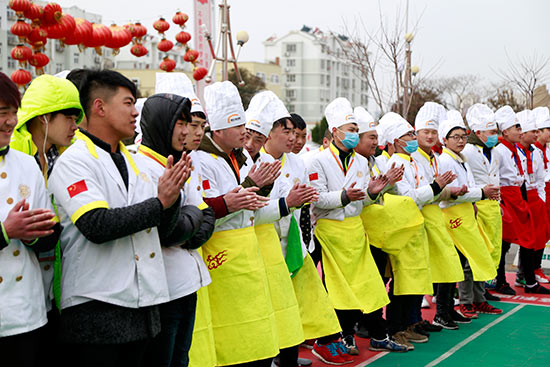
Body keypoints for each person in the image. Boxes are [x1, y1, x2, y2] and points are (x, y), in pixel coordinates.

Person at [48, 70, 189, 367]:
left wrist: (172, 199)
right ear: (100, 107)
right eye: (128, 103)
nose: (135, 112)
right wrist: (160, 202)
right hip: (96, 308)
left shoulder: (134, 161)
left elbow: (161, 227)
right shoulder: (74, 161)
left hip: (143, 306)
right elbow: (97, 224)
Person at [195, 81, 280, 367]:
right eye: (237, 126)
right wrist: (250, 186)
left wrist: (262, 188)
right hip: (220, 252)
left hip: (247, 249)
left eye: (244, 123)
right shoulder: (201, 160)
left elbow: (245, 202)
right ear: (217, 130)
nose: (244, 131)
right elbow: (205, 209)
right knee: (229, 331)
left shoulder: (239, 158)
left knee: (253, 328)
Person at [307, 98, 390, 359]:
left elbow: (362, 197)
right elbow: (317, 198)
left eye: (356, 129)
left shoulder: (359, 162)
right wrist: (345, 196)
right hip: (330, 231)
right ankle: (335, 335)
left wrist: (372, 193)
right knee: (335, 287)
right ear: (335, 131)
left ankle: (349, 332)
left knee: (362, 285)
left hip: (354, 231)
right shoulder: (317, 161)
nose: (355, 134)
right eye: (351, 129)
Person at [138, 92, 215, 367]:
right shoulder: (141, 166)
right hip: (162, 288)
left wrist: (191, 218)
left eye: (191, 124)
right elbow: (167, 231)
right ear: (161, 123)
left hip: (188, 282)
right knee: (161, 359)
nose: (187, 131)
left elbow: (206, 217)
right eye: (180, 123)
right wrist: (192, 216)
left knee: (181, 358)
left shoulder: (183, 162)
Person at [10, 73, 84, 359]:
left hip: (54, 280)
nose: (75, 127)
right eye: (69, 117)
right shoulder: (15, 155)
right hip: (19, 286)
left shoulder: (66, 155)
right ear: (44, 117)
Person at [0, 72, 60, 367]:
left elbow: (49, 231)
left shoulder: (27, 164)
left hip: (26, 311)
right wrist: (5, 231)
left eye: (14, 112)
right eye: (2, 113)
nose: (11, 121)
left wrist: (34, 234)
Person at [378, 112, 446, 348]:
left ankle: (407, 324)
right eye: (408, 134)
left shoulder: (410, 161)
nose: (413, 137)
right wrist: (436, 186)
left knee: (413, 277)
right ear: (396, 140)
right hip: (402, 229)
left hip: (413, 227)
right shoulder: (396, 162)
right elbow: (408, 197)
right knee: (401, 280)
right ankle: (395, 328)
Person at [352, 106, 408, 352]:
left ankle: (371, 326)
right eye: (371, 137)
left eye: (377, 136)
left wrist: (389, 183)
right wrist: (380, 188)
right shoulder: (355, 163)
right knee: (365, 282)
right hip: (360, 232)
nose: (376, 141)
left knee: (378, 280)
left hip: (378, 232)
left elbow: (385, 193)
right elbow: (360, 198)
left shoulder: (375, 162)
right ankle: (369, 327)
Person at [438, 111, 500, 320]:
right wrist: (481, 193)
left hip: (466, 214)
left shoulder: (461, 159)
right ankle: (459, 304)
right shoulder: (445, 161)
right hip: (452, 217)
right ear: (444, 140)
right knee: (460, 262)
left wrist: (473, 197)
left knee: (475, 254)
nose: (460, 141)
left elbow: (468, 187)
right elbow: (453, 193)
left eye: (463, 136)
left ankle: (476, 299)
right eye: (455, 137)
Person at [411, 102, 465, 330]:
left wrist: (447, 190)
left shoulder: (433, 157)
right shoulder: (412, 157)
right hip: (419, 219)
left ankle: (440, 311)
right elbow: (417, 193)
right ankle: (423, 317)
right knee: (417, 270)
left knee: (446, 263)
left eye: (434, 132)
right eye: (426, 132)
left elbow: (435, 189)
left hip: (433, 217)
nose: (430, 136)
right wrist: (440, 189)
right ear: (416, 133)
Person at [493, 106, 540, 294]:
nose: (520, 132)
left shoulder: (517, 151)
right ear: (505, 131)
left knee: (528, 238)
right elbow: (496, 177)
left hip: (518, 196)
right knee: (503, 243)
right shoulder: (499, 151)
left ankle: (530, 280)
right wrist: (501, 203)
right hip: (506, 197)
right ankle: (500, 280)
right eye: (517, 128)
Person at [462, 104, 504, 307]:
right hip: (476, 205)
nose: (496, 136)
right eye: (492, 132)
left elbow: (496, 178)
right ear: (478, 133)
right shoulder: (468, 152)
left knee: (488, 253)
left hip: (492, 207)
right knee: (473, 255)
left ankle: (480, 296)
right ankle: (467, 300)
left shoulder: (494, 152)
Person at [514, 110, 550, 294]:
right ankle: (525, 279)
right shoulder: (511, 152)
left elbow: (540, 177)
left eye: (538, 130)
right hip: (519, 197)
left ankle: (530, 279)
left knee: (536, 238)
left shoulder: (535, 152)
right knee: (522, 241)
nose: (536, 134)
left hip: (536, 198)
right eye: (533, 131)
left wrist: (541, 200)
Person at [532, 106, 550, 284]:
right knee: (536, 234)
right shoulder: (533, 151)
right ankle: (532, 270)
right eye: (548, 130)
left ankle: (532, 270)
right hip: (539, 193)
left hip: (546, 192)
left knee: (545, 233)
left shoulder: (547, 149)